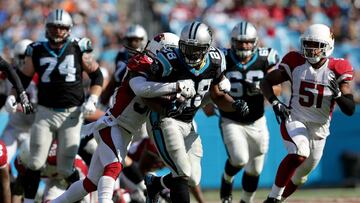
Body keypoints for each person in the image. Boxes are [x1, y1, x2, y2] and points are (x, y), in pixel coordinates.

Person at [51, 32, 197, 203]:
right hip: (114, 125)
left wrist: (179, 95)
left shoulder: (160, 73)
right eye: (172, 53)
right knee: (113, 167)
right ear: (162, 50)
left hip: (123, 129)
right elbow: (141, 89)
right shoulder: (142, 63)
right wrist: (176, 86)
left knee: (90, 183)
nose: (174, 59)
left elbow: (158, 95)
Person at [143, 21, 249, 203]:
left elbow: (218, 96)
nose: (190, 53)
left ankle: (156, 184)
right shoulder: (169, 60)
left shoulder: (215, 61)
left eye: (196, 49)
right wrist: (164, 107)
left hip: (188, 122)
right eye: (186, 48)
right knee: (182, 173)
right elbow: (146, 92)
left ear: (207, 48)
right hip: (164, 119)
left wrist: (234, 104)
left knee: (192, 178)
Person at [15, 9, 104, 203]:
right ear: (47, 28)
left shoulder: (78, 47)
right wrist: (15, 97)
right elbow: (23, 78)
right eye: (54, 27)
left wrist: (93, 99)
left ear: (69, 29)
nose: (57, 31)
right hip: (45, 112)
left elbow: (97, 75)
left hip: (71, 114)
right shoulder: (36, 49)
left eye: (61, 28)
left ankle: (83, 199)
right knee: (35, 161)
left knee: (65, 168)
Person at [260, 24, 355, 203]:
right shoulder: (295, 61)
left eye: (316, 44)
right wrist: (274, 102)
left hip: (320, 129)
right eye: (308, 43)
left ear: (327, 45)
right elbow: (265, 82)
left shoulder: (337, 68)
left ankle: (278, 200)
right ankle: (272, 198)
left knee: (301, 175)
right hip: (295, 118)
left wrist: (339, 95)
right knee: (299, 152)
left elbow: (350, 109)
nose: (311, 49)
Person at [210, 21, 280, 203]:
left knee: (255, 169)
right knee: (239, 159)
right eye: (241, 42)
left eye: (248, 41)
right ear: (233, 42)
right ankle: (227, 179)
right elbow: (211, 86)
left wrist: (259, 88)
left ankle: (246, 201)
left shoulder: (266, 57)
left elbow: (277, 87)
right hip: (231, 118)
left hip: (257, 120)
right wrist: (207, 103)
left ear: (255, 42)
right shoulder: (223, 57)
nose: (245, 45)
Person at [12, 139, 90, 203]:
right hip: (53, 179)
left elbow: (75, 181)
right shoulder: (23, 159)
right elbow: (19, 190)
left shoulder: (57, 157)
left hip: (76, 174)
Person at [2, 39, 36, 168]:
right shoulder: (8, 75)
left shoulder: (40, 76)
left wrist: (20, 107)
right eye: (22, 56)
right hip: (14, 127)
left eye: (28, 57)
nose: (25, 60)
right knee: (2, 161)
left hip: (33, 129)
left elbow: (42, 107)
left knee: (30, 166)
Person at [100, 24, 148, 106]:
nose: (132, 43)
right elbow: (117, 77)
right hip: (122, 92)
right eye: (130, 40)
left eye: (136, 40)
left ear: (143, 40)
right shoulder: (122, 54)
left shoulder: (148, 57)